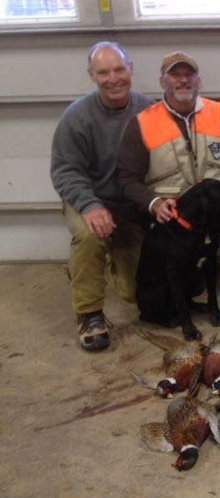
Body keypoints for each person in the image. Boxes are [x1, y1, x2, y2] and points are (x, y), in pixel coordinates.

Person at [116, 51, 220, 311]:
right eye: (175, 75)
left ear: (199, 81)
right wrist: (154, 203)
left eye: (189, 74)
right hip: (175, 213)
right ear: (162, 82)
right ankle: (188, 281)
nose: (183, 80)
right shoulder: (142, 124)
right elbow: (126, 178)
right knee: (178, 286)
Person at [51, 41, 152, 351]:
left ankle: (119, 265)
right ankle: (89, 314)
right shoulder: (77, 117)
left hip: (130, 203)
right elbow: (65, 170)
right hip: (89, 199)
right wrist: (90, 206)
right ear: (91, 76)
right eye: (104, 72)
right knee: (89, 236)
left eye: (119, 70)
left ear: (131, 69)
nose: (113, 79)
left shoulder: (149, 110)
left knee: (134, 293)